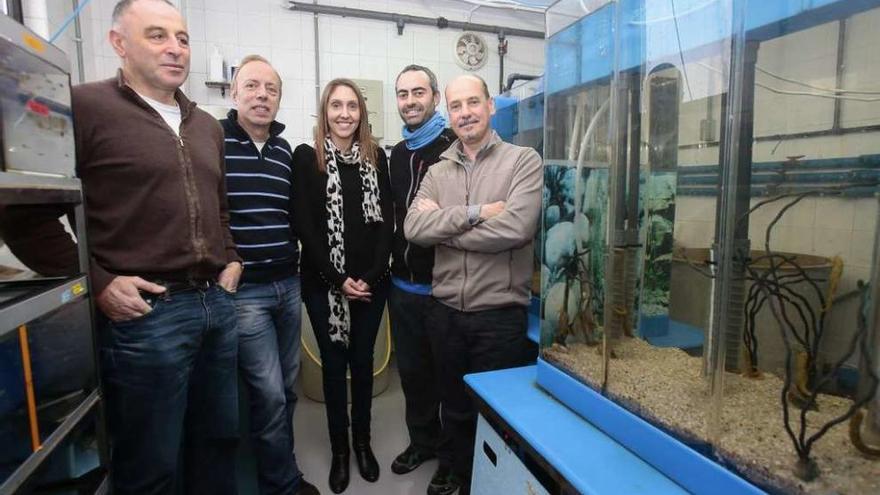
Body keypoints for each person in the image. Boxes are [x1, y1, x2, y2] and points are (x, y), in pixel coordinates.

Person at [71, 0, 242, 493]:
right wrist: (99, 283)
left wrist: (231, 258)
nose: (175, 48)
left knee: (218, 443)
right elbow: (26, 211)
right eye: (157, 35)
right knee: (151, 459)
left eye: (182, 38)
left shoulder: (207, 125)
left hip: (216, 304)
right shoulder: (86, 106)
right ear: (118, 43)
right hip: (148, 314)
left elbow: (221, 209)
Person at [403, 74, 542, 495]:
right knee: (454, 403)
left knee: (496, 411)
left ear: (490, 106)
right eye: (456, 106)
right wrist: (477, 212)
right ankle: (453, 470)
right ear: (448, 112)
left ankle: (491, 483)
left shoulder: (523, 160)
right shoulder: (438, 169)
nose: (465, 113)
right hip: (444, 311)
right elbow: (412, 227)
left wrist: (443, 227)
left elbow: (517, 229)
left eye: (473, 102)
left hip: (498, 314)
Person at [221, 54, 319, 495]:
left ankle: (274, 471)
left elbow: (294, 215)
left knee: (286, 389)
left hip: (287, 285)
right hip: (246, 293)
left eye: (271, 89)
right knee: (269, 393)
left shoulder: (285, 151)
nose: (262, 95)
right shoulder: (215, 142)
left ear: (279, 99)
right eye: (252, 86)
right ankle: (282, 484)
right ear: (233, 93)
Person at [292, 78, 393, 494]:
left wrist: (367, 278)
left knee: (363, 365)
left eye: (352, 106)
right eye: (337, 105)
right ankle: (339, 452)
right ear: (325, 111)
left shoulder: (376, 158)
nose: (345, 113)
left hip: (371, 284)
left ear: (362, 113)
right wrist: (338, 281)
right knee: (334, 369)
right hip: (322, 285)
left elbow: (388, 222)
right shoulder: (307, 156)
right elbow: (305, 227)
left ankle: (363, 444)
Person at [387, 65, 456, 486]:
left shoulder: (453, 148)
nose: (410, 101)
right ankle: (422, 442)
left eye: (418, 92)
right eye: (402, 94)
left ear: (434, 97)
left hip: (444, 287)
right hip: (403, 286)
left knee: (449, 377)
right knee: (413, 375)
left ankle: (450, 458)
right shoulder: (398, 152)